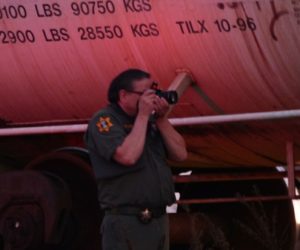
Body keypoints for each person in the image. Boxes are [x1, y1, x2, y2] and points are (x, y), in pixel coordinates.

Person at [84, 68, 187, 250]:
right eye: (145, 93)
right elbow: (128, 156)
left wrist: (161, 119)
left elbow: (181, 154)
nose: (151, 98)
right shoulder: (105, 120)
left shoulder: (150, 122)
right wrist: (143, 115)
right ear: (123, 95)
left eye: (153, 92)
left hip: (158, 220)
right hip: (128, 221)